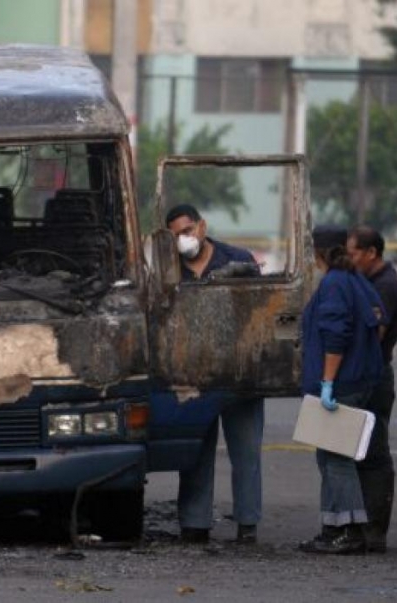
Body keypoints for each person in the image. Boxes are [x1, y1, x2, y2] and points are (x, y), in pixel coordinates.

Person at [164, 204, 264, 545]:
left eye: (188, 230)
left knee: (246, 453)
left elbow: (261, 311)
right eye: (177, 234)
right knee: (196, 454)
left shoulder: (237, 259)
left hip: (239, 374)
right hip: (194, 378)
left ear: (202, 226)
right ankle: (194, 523)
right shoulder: (168, 268)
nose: (184, 239)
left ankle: (248, 523)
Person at [298, 225, 385, 555]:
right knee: (328, 456)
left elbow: (336, 336)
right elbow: (378, 318)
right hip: (358, 379)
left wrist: (329, 383)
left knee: (336, 459)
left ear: (317, 252)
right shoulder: (355, 279)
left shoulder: (334, 282)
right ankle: (331, 528)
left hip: (341, 384)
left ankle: (349, 531)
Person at [347, 226, 397, 553]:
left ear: (371, 253)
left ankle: (373, 531)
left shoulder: (385, 287)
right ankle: (362, 528)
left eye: (354, 252)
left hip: (373, 378)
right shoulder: (370, 281)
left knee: (373, 455)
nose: (350, 258)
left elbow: (375, 335)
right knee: (360, 453)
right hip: (367, 376)